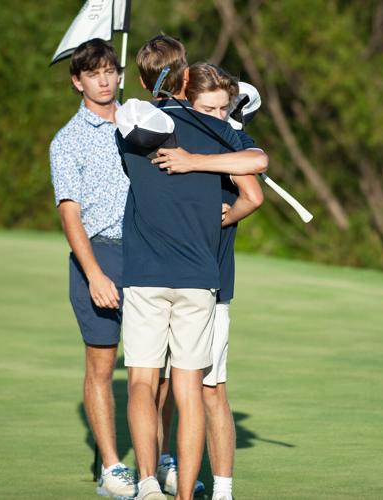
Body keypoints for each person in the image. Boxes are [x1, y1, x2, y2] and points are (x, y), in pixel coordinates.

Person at [116, 35, 266, 500]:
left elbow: (129, 120)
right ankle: (185, 495)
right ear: (187, 79)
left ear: (144, 81)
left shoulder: (130, 126)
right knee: (189, 390)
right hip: (200, 279)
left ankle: (145, 484)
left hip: (144, 273)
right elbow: (257, 164)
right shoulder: (217, 129)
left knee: (142, 381)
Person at [49, 38, 136, 500]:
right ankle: (111, 467)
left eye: (109, 70)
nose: (103, 80)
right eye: (93, 73)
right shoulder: (67, 141)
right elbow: (70, 215)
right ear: (77, 81)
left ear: (118, 74)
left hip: (149, 254)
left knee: (153, 368)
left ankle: (159, 461)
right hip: (99, 256)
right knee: (102, 365)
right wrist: (95, 274)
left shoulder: (141, 122)